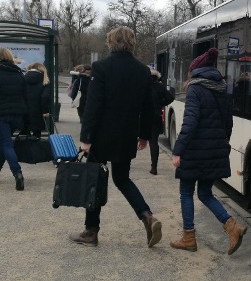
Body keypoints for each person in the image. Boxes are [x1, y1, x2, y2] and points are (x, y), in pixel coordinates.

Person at [69, 26, 162, 248]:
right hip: (126, 135)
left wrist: (86, 138)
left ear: (111, 42)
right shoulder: (142, 71)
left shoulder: (101, 68)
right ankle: (147, 216)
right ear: (132, 43)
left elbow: (93, 106)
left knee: (95, 179)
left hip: (101, 136)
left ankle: (91, 232)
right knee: (122, 179)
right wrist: (143, 136)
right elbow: (148, 108)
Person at [170, 47, 247, 255]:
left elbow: (190, 123)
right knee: (205, 193)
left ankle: (188, 238)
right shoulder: (222, 88)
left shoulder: (195, 88)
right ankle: (232, 227)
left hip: (195, 151)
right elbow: (228, 123)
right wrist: (220, 144)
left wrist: (178, 150)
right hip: (214, 150)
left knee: (186, 192)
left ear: (196, 71)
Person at [0, 48, 27, 190]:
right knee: (4, 143)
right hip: (16, 114)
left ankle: (17, 173)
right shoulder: (18, 73)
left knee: (6, 145)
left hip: (2, 114)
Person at [148, 68, 174, 175]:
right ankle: (154, 167)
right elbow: (170, 97)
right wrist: (160, 103)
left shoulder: (143, 86)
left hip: (144, 117)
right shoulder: (160, 87)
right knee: (153, 141)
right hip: (156, 116)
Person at [21, 62, 51, 138]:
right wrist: (45, 111)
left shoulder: (22, 78)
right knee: (37, 135)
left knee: (24, 135)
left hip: (23, 111)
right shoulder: (45, 80)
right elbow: (45, 97)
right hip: (38, 111)